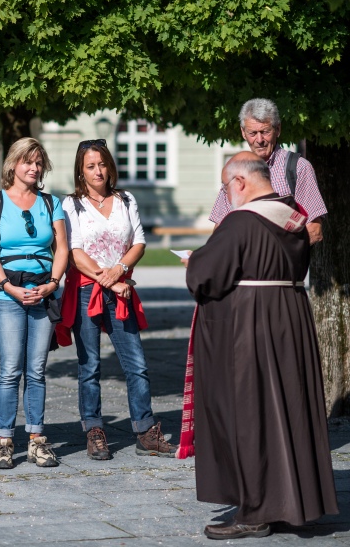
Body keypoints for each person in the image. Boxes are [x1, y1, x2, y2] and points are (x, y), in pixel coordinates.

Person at [184, 152, 337, 540]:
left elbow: (206, 274)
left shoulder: (241, 221)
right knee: (285, 412)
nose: (226, 194)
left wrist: (192, 264)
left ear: (240, 183)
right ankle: (289, 501)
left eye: (225, 186)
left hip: (250, 328)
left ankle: (254, 512)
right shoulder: (293, 217)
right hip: (290, 320)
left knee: (249, 414)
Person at [58, 139, 176, 460]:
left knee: (136, 364)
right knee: (90, 366)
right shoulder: (71, 204)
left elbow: (139, 242)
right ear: (81, 172)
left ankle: (145, 431)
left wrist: (120, 269)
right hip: (86, 291)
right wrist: (106, 279)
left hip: (120, 289)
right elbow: (75, 251)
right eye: (90, 166)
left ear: (110, 166)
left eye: (102, 164)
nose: (98, 171)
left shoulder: (125, 199)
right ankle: (95, 431)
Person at [0, 138, 68, 469]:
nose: (34, 167)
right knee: (10, 370)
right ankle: (4, 440)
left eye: (38, 162)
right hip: (7, 295)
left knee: (37, 370)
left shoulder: (50, 203)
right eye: (27, 161)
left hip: (44, 291)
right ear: (13, 165)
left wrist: (52, 285)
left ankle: (36, 440)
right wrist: (7, 286)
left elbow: (61, 249)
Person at [209, 98, 327, 245]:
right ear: (243, 133)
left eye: (265, 132)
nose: (259, 140)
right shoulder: (235, 171)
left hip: (282, 266)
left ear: (278, 129)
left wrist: (279, 255)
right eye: (252, 133)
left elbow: (315, 230)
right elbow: (220, 228)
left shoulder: (298, 168)